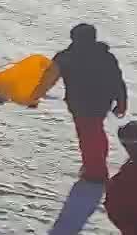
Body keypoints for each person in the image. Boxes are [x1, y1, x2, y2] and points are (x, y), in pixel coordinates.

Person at [52, 23, 129, 182]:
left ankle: (96, 171)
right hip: (101, 102)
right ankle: (96, 164)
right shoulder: (105, 56)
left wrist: (32, 95)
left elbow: (47, 78)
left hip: (80, 103)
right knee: (96, 132)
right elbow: (117, 80)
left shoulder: (67, 56)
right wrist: (121, 101)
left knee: (88, 136)